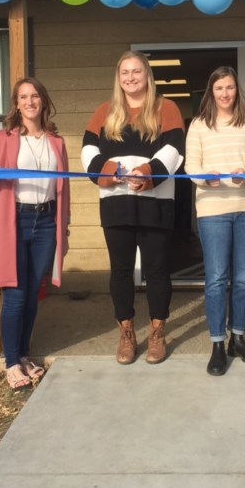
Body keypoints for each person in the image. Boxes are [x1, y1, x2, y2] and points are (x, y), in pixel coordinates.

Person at [81, 50, 185, 365]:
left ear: (147, 75)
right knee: (121, 271)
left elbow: (175, 149)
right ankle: (126, 333)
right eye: (125, 72)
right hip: (116, 203)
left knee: (156, 270)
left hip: (156, 203)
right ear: (119, 77)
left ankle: (157, 332)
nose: (130, 78)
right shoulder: (104, 111)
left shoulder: (166, 108)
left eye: (136, 71)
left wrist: (148, 175)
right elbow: (87, 151)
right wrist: (108, 171)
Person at [0, 79, 70, 390]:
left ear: (43, 100)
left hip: (46, 221)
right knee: (14, 294)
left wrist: (63, 225)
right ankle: (11, 361)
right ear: (16, 103)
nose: (30, 102)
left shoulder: (57, 141)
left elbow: (63, 188)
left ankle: (23, 355)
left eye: (35, 95)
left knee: (32, 293)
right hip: (14, 220)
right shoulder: (2, 138)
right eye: (23, 97)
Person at [185, 66, 245, 376]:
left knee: (244, 278)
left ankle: (239, 338)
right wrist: (207, 180)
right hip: (212, 211)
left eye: (230, 87)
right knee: (217, 278)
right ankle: (217, 344)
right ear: (211, 91)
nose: (225, 93)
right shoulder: (199, 126)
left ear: (237, 90)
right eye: (219, 88)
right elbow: (192, 167)